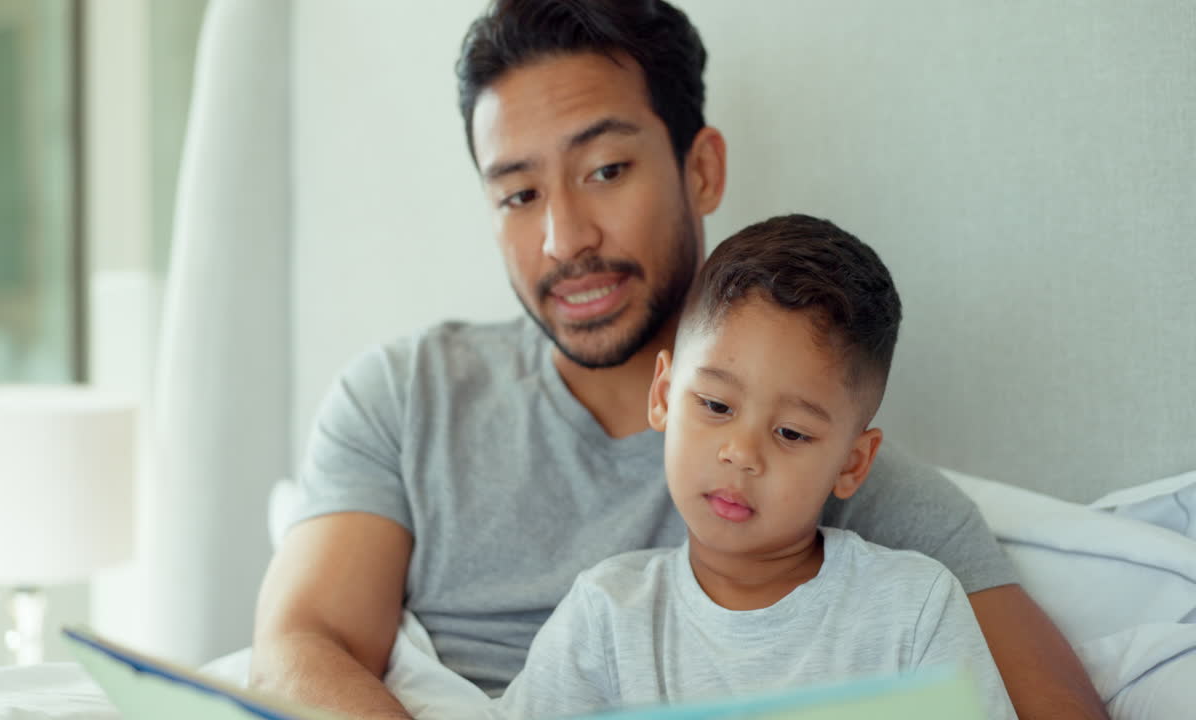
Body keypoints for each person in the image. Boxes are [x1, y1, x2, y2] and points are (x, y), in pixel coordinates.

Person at [249, 2, 1105, 718]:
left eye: (607, 169)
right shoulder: (403, 398)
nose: (564, 239)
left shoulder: (844, 481)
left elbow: (1051, 706)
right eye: (519, 194)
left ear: (701, 168)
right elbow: (296, 649)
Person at [487, 214, 1016, 719]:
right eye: (716, 406)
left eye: (790, 433)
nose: (741, 452)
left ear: (853, 464)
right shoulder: (606, 617)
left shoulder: (915, 610)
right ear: (665, 396)